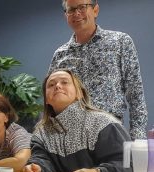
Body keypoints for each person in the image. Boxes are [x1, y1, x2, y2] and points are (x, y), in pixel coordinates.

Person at [49, 0, 147, 140]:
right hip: (70, 137)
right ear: (66, 16)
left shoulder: (120, 42)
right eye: (71, 10)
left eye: (82, 7)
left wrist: (138, 140)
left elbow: (135, 94)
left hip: (110, 133)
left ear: (95, 10)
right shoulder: (60, 55)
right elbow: (51, 100)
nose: (76, 13)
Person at [22, 70, 133, 172]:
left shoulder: (105, 124)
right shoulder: (40, 134)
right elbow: (42, 160)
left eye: (64, 82)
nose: (57, 86)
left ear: (79, 93)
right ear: (46, 98)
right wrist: (36, 168)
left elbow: (129, 165)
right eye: (51, 84)